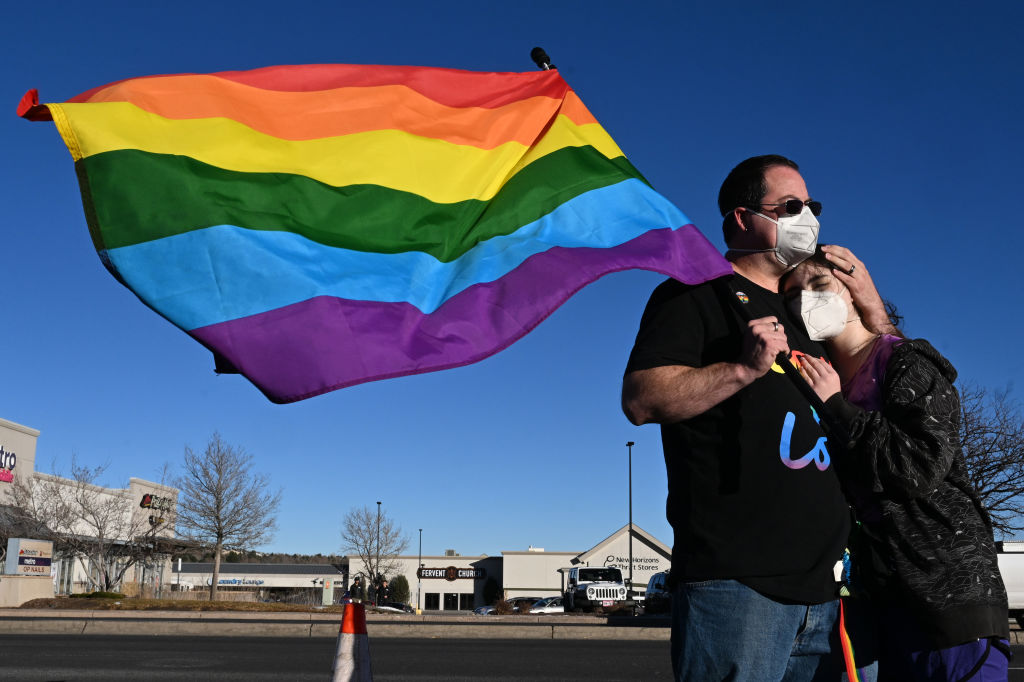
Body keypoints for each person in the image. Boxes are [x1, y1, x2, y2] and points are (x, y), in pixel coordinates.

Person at [622, 154, 894, 681]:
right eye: (790, 206)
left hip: (838, 591)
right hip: (737, 588)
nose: (807, 219)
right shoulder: (693, 293)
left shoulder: (811, 312)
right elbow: (641, 398)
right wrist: (743, 368)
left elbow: (887, 390)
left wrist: (873, 313)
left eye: (811, 206)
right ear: (741, 219)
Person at [782, 249, 1010, 680]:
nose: (805, 303)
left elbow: (919, 464)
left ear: (853, 291)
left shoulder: (904, 361)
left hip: (949, 603)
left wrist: (837, 408)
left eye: (817, 286)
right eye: (792, 296)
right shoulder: (828, 382)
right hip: (888, 610)